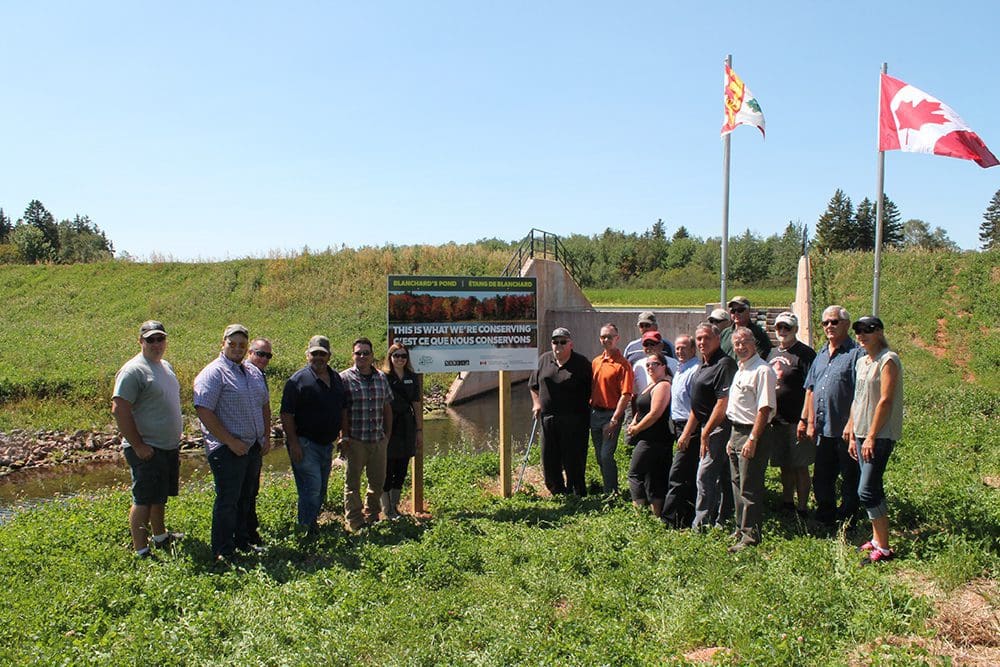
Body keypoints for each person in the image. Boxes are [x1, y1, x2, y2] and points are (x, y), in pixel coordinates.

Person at [194, 324, 271, 562]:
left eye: (242, 344)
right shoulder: (214, 373)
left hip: (252, 446)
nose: (237, 348)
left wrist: (266, 435)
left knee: (247, 497)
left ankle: (243, 541)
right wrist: (229, 441)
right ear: (223, 343)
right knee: (228, 500)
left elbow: (264, 405)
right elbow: (203, 410)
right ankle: (222, 550)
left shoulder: (253, 372)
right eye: (232, 343)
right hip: (227, 449)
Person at [112, 320, 185, 559]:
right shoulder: (133, 370)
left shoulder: (165, 366)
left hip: (166, 446)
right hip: (147, 447)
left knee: (159, 496)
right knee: (143, 499)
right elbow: (119, 409)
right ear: (140, 342)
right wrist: (138, 445)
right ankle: (141, 550)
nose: (156, 344)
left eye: (160, 338)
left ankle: (161, 536)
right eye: (150, 339)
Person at [845, 316, 903, 564]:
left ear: (879, 331)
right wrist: (851, 427)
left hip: (878, 435)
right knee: (873, 487)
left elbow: (885, 401)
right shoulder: (862, 361)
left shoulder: (888, 360)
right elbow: (857, 398)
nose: (861, 334)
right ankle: (877, 540)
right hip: (861, 433)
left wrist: (870, 436)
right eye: (857, 330)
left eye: (868, 329)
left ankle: (885, 548)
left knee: (866, 491)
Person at [799, 305, 863, 527]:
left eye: (834, 322)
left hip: (845, 430)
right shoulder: (821, 354)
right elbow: (811, 388)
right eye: (825, 323)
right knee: (822, 477)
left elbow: (860, 393)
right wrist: (806, 420)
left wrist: (852, 425)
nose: (829, 326)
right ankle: (825, 517)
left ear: (846, 324)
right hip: (822, 428)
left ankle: (848, 520)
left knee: (850, 477)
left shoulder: (856, 354)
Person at [280, 335, 350, 534]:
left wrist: (344, 435)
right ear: (307, 355)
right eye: (314, 353)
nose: (318, 357)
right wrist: (293, 443)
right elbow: (286, 414)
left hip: (326, 444)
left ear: (329, 356)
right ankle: (305, 529)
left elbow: (343, 409)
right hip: (305, 443)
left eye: (322, 354)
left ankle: (311, 523)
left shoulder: (336, 378)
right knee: (311, 488)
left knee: (320, 490)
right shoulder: (297, 381)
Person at [726, 327, 777, 553]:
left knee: (750, 486)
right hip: (736, 432)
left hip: (753, 433)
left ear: (754, 343)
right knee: (737, 484)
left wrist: (753, 438)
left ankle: (751, 535)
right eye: (736, 343)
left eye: (744, 342)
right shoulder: (741, 368)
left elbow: (764, 409)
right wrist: (731, 439)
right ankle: (740, 528)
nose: (740, 347)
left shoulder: (762, 370)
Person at [684, 322, 737, 531]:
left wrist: (705, 433)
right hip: (707, 425)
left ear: (717, 339)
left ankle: (700, 524)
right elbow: (697, 405)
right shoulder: (703, 364)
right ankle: (722, 520)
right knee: (723, 475)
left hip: (720, 426)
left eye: (706, 338)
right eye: (699, 339)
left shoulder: (724, 364)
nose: (702, 342)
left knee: (704, 475)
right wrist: (688, 432)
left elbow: (722, 403)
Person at [529, 327, 592, 496]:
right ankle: (556, 490)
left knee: (574, 457)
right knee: (549, 456)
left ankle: (576, 490)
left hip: (575, 419)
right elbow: (533, 386)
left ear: (570, 344)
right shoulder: (543, 360)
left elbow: (592, 390)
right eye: (555, 342)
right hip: (548, 418)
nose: (558, 345)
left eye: (563, 342)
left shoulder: (582, 363)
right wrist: (536, 404)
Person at [340, 338, 393, 532]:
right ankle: (354, 521)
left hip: (378, 440)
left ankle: (372, 516)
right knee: (352, 484)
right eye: (358, 353)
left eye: (366, 353)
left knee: (377, 482)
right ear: (353, 355)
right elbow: (341, 411)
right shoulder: (344, 378)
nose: (362, 356)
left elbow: (387, 407)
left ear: (372, 356)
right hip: (356, 441)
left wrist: (387, 436)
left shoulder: (381, 378)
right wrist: (344, 437)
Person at [766, 312, 816, 518]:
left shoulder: (805, 354)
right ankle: (787, 502)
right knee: (784, 464)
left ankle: (802, 507)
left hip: (797, 419)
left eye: (787, 327)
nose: (783, 331)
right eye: (780, 327)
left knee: (800, 464)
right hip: (776, 420)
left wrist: (806, 418)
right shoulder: (770, 353)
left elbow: (811, 388)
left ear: (795, 329)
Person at [625, 351, 673, 515]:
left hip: (655, 438)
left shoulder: (663, 385)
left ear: (664, 366)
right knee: (653, 477)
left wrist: (637, 429)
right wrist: (633, 422)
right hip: (647, 436)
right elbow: (641, 409)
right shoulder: (651, 385)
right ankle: (655, 516)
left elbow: (655, 413)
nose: (650, 367)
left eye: (655, 364)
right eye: (648, 365)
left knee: (635, 473)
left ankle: (641, 514)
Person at [590, 323, 634, 495]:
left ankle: (612, 492)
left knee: (607, 455)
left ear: (617, 338)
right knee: (600, 457)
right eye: (603, 336)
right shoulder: (596, 362)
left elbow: (626, 395)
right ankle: (608, 487)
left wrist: (615, 419)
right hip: (595, 413)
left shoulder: (623, 365)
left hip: (611, 415)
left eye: (609, 336)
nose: (606, 340)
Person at [662, 334, 701, 528]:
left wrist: (686, 432)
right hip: (678, 426)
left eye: (684, 347)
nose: (679, 351)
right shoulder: (680, 369)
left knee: (677, 474)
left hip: (689, 427)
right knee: (686, 473)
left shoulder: (694, 371)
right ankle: (685, 517)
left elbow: (697, 406)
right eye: (677, 348)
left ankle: (668, 520)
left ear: (693, 349)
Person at [381, 342, 423, 519]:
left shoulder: (412, 377)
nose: (399, 359)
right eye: (396, 355)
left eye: (403, 356)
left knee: (402, 467)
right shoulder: (383, 376)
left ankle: (395, 506)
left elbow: (416, 404)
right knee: (387, 467)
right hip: (388, 424)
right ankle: (386, 508)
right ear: (390, 357)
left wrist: (419, 429)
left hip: (407, 425)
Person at [244, 337, 273, 546]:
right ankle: (245, 537)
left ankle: (250, 533)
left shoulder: (258, 375)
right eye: (259, 354)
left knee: (252, 490)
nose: (263, 359)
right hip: (239, 444)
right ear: (249, 353)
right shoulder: (244, 372)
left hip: (255, 442)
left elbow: (265, 407)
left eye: (267, 355)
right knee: (241, 494)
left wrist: (266, 436)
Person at [631, 331, 678, 395]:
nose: (649, 347)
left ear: (661, 345)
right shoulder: (638, 365)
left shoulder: (674, 363)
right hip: (643, 402)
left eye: (652, 344)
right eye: (646, 344)